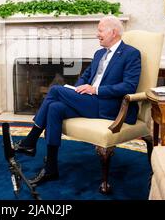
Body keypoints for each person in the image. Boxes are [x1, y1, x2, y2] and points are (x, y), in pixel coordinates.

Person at [14, 16, 141, 185]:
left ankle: (31, 140)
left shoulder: (131, 54)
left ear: (113, 32)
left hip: (111, 106)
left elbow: (129, 86)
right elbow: (86, 76)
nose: (97, 34)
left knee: (54, 90)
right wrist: (78, 90)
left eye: (100, 30)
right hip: (90, 101)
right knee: (55, 107)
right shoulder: (99, 53)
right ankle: (51, 168)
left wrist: (95, 90)